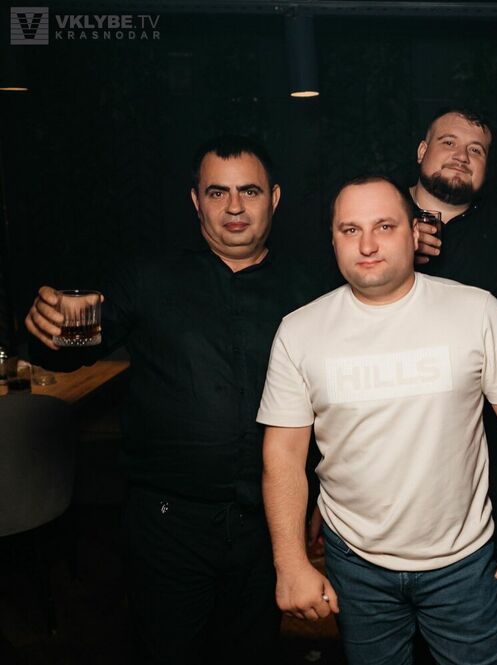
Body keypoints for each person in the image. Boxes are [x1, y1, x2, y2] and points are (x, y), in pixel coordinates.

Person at [24, 136, 330, 664]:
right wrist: (48, 330)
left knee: (254, 652)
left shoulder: (311, 291)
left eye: (249, 191)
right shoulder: (148, 278)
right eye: (217, 192)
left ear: (274, 198)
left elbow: (334, 403)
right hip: (167, 526)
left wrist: (322, 494)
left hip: (266, 525)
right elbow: (74, 348)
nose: (234, 207)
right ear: (196, 201)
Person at [257, 176, 497, 664]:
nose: (367, 245)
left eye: (384, 226)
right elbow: (284, 453)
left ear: (415, 233)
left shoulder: (476, 310)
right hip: (356, 562)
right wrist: (289, 562)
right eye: (350, 230)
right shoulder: (300, 331)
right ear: (333, 239)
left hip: (463, 561)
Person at [410, 107, 497, 303]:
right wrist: (396, 248)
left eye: (475, 150)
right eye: (449, 143)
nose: (462, 156)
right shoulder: (379, 210)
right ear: (422, 151)